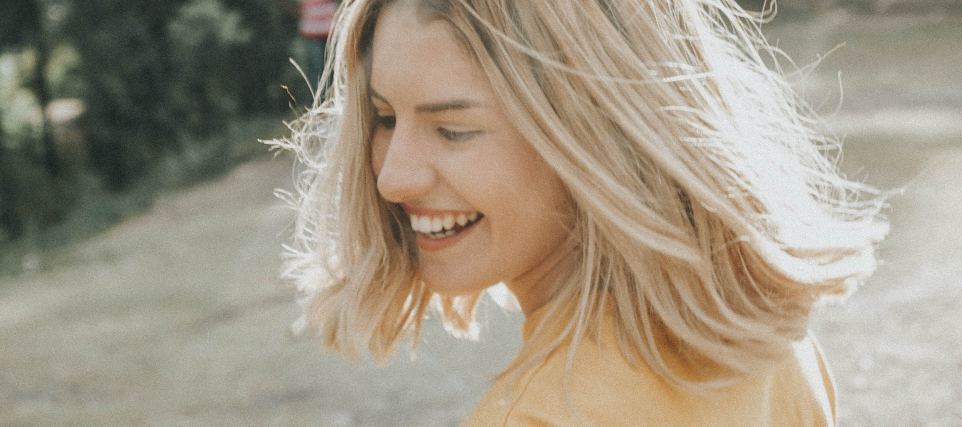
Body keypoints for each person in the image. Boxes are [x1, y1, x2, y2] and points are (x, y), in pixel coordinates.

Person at [272, 0, 886, 425]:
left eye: (453, 129)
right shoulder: (764, 343)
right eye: (384, 119)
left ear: (593, 135)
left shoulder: (535, 417)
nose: (391, 176)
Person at [298, 0, 337, 90]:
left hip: (328, 29)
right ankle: (318, 99)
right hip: (313, 30)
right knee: (317, 71)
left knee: (328, 70)